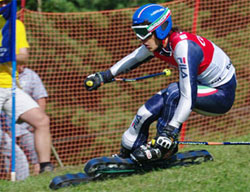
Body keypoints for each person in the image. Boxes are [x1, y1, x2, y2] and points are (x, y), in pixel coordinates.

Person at [84, 4, 237, 164]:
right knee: (144, 112)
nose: (140, 39)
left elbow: (187, 96)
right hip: (202, 88)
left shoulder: (183, 47)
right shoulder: (158, 42)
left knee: (173, 92)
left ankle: (163, 149)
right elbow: (134, 58)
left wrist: (170, 131)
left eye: (143, 33)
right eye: (137, 33)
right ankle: (126, 154)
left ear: (160, 29)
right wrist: (103, 76)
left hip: (221, 95)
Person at [0, 0, 53, 172]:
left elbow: (23, 57)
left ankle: (45, 168)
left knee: (41, 120)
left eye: (7, 2)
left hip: (11, 87)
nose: (5, 6)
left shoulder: (16, 25)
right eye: (1, 3)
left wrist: (7, 54)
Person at [0, 64, 49, 178]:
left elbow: (41, 98)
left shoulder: (30, 75)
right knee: (12, 160)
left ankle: (42, 174)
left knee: (31, 158)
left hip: (25, 129)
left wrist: (34, 122)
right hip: (6, 129)